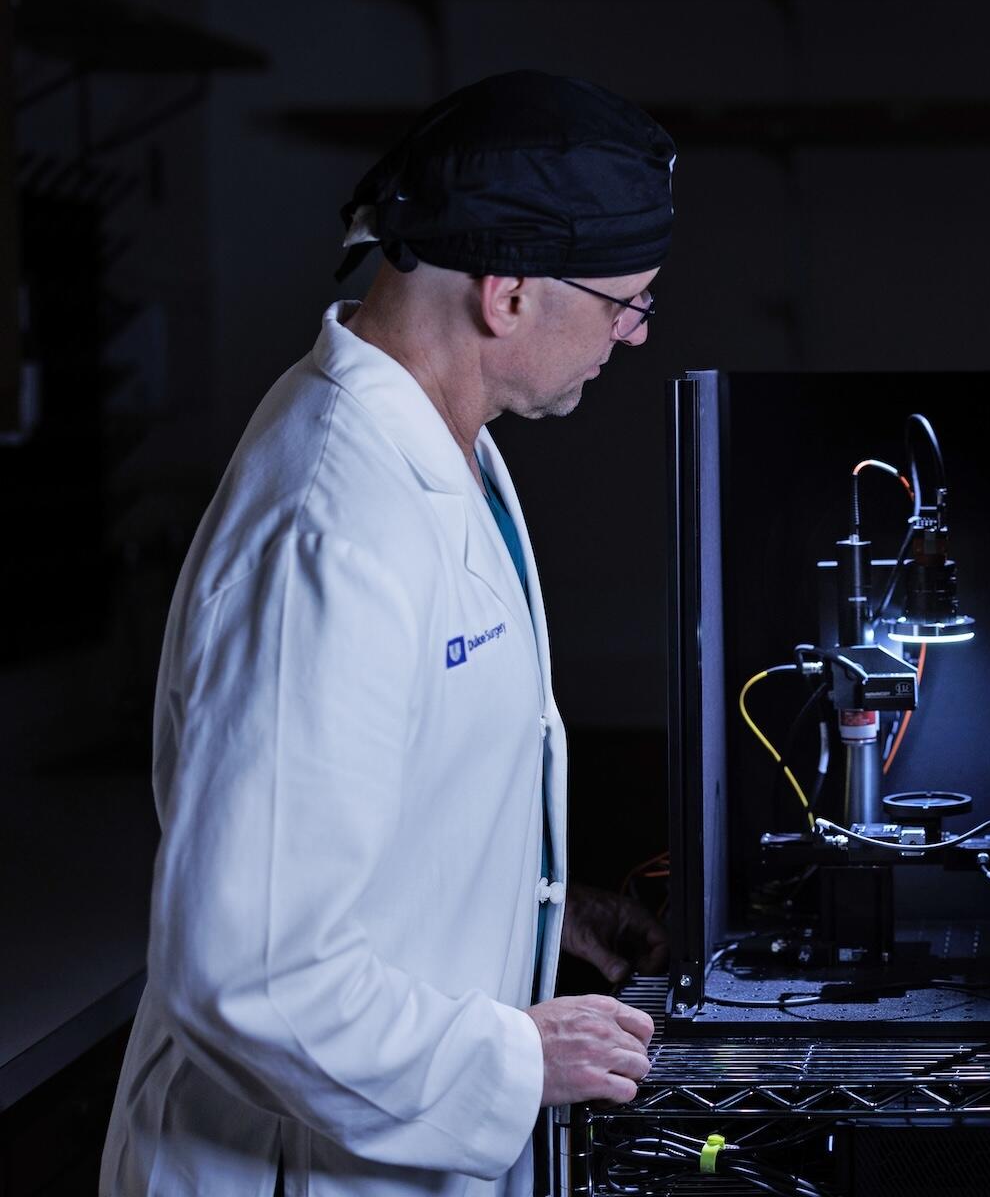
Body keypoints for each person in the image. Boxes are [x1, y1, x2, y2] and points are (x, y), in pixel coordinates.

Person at [101, 71, 679, 1195]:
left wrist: (531, 909)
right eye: (626, 304)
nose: (637, 335)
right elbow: (251, 967)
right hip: (279, 1169)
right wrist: (516, 1057)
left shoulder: (445, 451)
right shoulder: (335, 523)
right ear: (508, 291)